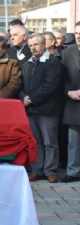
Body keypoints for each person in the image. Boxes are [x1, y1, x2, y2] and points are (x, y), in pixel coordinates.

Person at [19, 33, 63, 183]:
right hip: (31, 110)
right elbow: (21, 86)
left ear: (44, 45)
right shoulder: (27, 63)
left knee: (50, 142)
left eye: (36, 44)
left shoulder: (53, 62)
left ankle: (50, 170)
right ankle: (37, 170)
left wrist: (32, 99)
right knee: (36, 141)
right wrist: (23, 96)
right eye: (30, 45)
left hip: (48, 109)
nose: (33, 48)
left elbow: (51, 85)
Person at [60, 22, 80, 182]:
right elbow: (63, 77)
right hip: (73, 101)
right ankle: (73, 171)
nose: (78, 36)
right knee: (73, 141)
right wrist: (68, 92)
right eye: (77, 33)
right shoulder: (68, 52)